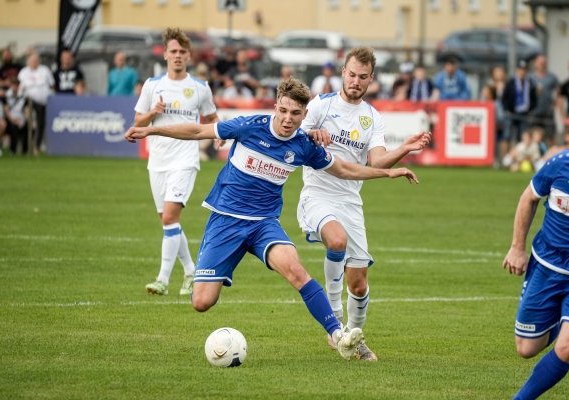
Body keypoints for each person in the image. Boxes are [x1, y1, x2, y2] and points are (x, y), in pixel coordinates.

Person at [124, 77, 421, 361]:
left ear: (304, 114)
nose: (287, 118)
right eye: (283, 110)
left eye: (295, 113)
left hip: (264, 224)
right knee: (202, 302)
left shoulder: (304, 145)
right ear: (276, 105)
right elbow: (198, 131)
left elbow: (344, 169)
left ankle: (338, 335)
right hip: (226, 220)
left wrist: (388, 172)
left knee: (296, 271)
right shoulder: (249, 126)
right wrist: (151, 131)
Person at [297, 47, 431, 361]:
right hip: (316, 194)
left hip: (350, 201)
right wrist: (311, 134)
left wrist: (405, 149)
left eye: (363, 77)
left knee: (358, 284)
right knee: (337, 240)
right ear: (343, 72)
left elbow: (377, 160)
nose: (356, 81)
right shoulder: (321, 105)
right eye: (352, 75)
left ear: (371, 79)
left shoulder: (372, 118)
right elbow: (294, 135)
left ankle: (355, 340)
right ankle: (334, 323)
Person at [133, 28, 220, 296]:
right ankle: (192, 272)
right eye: (174, 51)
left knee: (170, 217)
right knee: (169, 223)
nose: (178, 56)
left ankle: (162, 279)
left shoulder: (199, 88)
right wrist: (153, 112)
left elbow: (213, 118)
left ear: (189, 56)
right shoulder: (152, 85)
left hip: (185, 161)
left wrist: (219, 136)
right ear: (166, 54)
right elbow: (138, 123)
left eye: (183, 52)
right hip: (157, 162)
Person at [502, 144, 569, 400]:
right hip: (547, 266)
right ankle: (565, 319)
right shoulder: (562, 163)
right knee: (526, 348)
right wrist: (517, 248)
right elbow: (528, 198)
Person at [17, 52, 54, 155]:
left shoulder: (45, 71)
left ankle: (36, 146)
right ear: (28, 62)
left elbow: (52, 85)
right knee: (28, 121)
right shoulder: (24, 72)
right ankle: (29, 121)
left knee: (41, 123)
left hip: (42, 101)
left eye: (36, 61)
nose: (34, 63)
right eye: (32, 61)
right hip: (28, 99)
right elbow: (21, 88)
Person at [501, 59, 538, 159]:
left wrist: (531, 109)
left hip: (524, 114)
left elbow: (534, 98)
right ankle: (505, 159)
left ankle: (519, 158)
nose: (522, 71)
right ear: (517, 70)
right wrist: (506, 109)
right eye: (520, 69)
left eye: (524, 69)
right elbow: (504, 97)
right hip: (511, 113)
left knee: (522, 137)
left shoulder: (530, 83)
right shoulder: (511, 82)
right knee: (507, 136)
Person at [528, 55, 559, 144]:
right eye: (540, 63)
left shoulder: (552, 77)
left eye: (544, 63)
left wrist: (555, 104)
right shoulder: (530, 77)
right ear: (535, 64)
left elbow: (558, 92)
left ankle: (552, 155)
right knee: (534, 135)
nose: (542, 64)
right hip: (534, 111)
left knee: (550, 135)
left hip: (548, 111)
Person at [3, 77, 28, 155]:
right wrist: (13, 121)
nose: (15, 87)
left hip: (21, 118)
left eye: (17, 85)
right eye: (13, 85)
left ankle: (25, 151)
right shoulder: (6, 95)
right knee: (13, 128)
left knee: (28, 128)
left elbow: (26, 110)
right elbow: (6, 110)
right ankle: (13, 150)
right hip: (10, 118)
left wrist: (25, 120)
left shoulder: (23, 96)